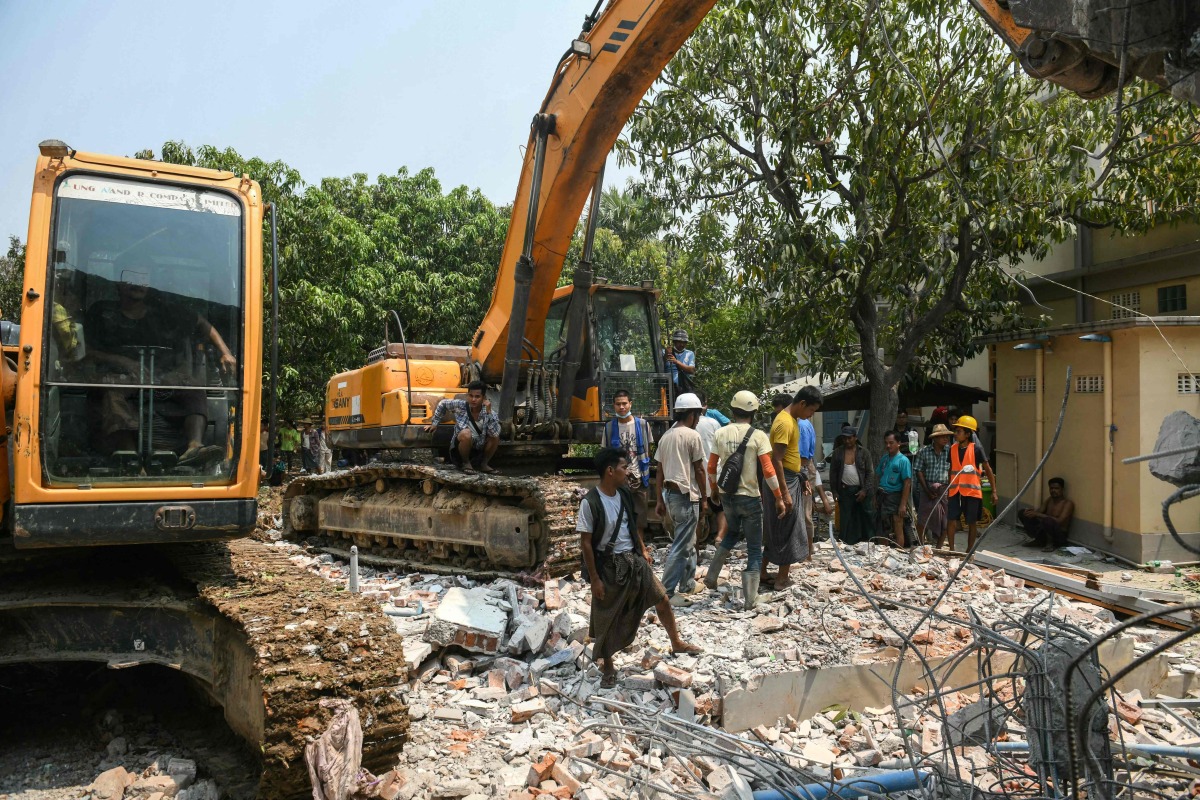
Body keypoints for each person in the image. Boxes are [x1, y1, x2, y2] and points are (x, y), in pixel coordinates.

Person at [86, 265, 236, 468]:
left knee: (192, 386)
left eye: (143, 277)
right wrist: (122, 362)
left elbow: (201, 323)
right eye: (131, 276)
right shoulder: (102, 312)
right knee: (112, 393)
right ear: (118, 282)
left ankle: (194, 447)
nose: (138, 283)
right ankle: (129, 456)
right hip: (120, 379)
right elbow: (84, 350)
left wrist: (225, 352)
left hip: (159, 378)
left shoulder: (164, 313)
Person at [579, 448, 701, 689]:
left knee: (661, 597)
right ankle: (608, 667)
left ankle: (676, 642)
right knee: (607, 617)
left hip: (633, 560)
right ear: (610, 471)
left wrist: (642, 548)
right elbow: (585, 543)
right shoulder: (590, 502)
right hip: (609, 565)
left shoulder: (623, 494)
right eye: (624, 467)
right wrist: (594, 578)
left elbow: (630, 525)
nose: (628, 471)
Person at [704, 391, 786, 608]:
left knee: (731, 532)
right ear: (754, 412)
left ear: (732, 410)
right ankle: (751, 598)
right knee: (753, 547)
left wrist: (714, 489)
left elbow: (711, 467)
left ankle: (712, 575)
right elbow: (768, 470)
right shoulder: (758, 435)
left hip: (727, 496)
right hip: (749, 497)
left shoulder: (720, 433)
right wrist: (778, 497)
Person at [761, 386, 821, 589]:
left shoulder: (792, 420)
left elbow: (789, 457)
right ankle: (781, 578)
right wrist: (784, 494)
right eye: (811, 411)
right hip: (782, 479)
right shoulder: (785, 422)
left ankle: (762, 572)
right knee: (788, 528)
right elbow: (777, 460)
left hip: (790, 477)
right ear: (802, 404)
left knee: (777, 527)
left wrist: (801, 476)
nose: (811, 416)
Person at [654, 392, 707, 605]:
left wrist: (659, 499)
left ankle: (688, 583)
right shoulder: (692, 436)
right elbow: (699, 470)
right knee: (680, 545)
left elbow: (659, 470)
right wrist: (705, 497)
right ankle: (666, 592)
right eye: (698, 415)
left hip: (671, 495)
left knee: (687, 541)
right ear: (692, 414)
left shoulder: (667, 436)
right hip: (686, 496)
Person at [602, 389, 655, 543]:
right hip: (618, 482)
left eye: (624, 403)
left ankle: (639, 548)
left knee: (640, 518)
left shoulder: (643, 425)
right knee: (618, 517)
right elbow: (606, 455)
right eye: (618, 404)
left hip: (639, 479)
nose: (622, 407)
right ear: (614, 406)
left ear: (630, 404)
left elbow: (648, 451)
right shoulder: (610, 428)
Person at [943, 415, 997, 551]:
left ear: (967, 434)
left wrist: (994, 491)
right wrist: (948, 488)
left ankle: (969, 551)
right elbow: (951, 470)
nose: (955, 434)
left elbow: (988, 469)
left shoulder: (976, 449)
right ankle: (951, 550)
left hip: (971, 492)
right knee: (951, 520)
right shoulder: (953, 449)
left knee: (971, 522)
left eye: (958, 431)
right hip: (955, 491)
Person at [424, 381, 501, 473]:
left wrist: (488, 413)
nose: (473, 399)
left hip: (478, 447)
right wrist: (435, 423)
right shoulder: (461, 405)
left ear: (484, 398)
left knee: (495, 437)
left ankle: (483, 464)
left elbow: (494, 433)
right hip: (460, 449)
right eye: (470, 396)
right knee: (466, 433)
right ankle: (466, 463)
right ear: (467, 395)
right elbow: (443, 404)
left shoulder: (490, 413)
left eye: (477, 397)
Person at [828, 425, 875, 544]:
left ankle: (869, 542)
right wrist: (834, 491)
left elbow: (870, 473)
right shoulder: (838, 453)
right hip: (845, 490)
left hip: (862, 490)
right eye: (845, 438)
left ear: (855, 438)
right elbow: (833, 473)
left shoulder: (864, 452)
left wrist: (864, 490)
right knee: (846, 518)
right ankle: (846, 543)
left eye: (849, 438)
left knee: (866, 516)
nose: (847, 441)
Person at [694, 390, 726, 545]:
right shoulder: (713, 423)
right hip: (713, 474)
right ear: (703, 405)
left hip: (693, 478)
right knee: (720, 509)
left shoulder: (678, 426)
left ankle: (697, 542)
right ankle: (720, 537)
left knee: (697, 510)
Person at [797, 411, 833, 547]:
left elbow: (805, 459)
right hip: (804, 472)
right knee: (805, 512)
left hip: (802, 471)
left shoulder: (802, 425)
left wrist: (824, 500)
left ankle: (807, 549)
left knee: (805, 514)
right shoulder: (803, 425)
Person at [914, 424, 954, 545]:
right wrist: (926, 490)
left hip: (944, 489)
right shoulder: (924, 451)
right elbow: (918, 470)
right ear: (935, 438)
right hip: (928, 488)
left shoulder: (951, 451)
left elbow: (953, 469)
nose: (945, 438)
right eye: (942, 436)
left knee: (945, 522)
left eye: (946, 436)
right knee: (922, 520)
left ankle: (939, 547)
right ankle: (921, 545)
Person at [876, 431, 915, 547]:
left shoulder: (903, 461)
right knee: (882, 528)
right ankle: (884, 553)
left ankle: (899, 553)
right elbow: (879, 475)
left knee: (898, 525)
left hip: (895, 496)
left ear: (898, 443)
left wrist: (903, 504)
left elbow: (907, 483)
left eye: (891, 443)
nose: (888, 446)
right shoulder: (884, 459)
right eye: (886, 443)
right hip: (882, 495)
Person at [1019, 478, 1075, 552]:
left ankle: (1050, 544)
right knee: (1022, 513)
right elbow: (1039, 512)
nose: (1053, 490)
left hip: (1059, 536)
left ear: (1062, 489)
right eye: (1051, 488)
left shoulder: (1068, 503)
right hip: (1045, 531)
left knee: (1048, 520)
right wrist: (1030, 512)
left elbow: (1059, 521)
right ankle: (1038, 540)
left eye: (1056, 488)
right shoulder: (1049, 500)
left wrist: (1039, 514)